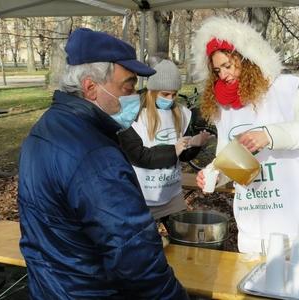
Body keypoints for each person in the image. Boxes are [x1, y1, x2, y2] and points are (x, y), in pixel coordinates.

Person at [18, 28, 188, 299]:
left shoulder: (44, 129)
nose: (135, 94)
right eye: (128, 86)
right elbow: (133, 253)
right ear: (90, 87)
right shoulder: (95, 155)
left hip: (50, 287)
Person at [193, 17, 299, 255]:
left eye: (227, 65)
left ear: (247, 58)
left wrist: (269, 135)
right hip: (254, 218)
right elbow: (230, 159)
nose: (223, 75)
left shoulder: (285, 89)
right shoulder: (224, 108)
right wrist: (214, 175)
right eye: (217, 70)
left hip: (293, 215)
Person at [118, 59, 210, 220]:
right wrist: (174, 149)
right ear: (152, 91)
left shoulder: (181, 113)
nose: (170, 99)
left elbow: (183, 156)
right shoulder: (132, 115)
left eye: (174, 94)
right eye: (165, 94)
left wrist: (195, 144)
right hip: (142, 196)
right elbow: (139, 156)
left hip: (171, 194)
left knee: (181, 238)